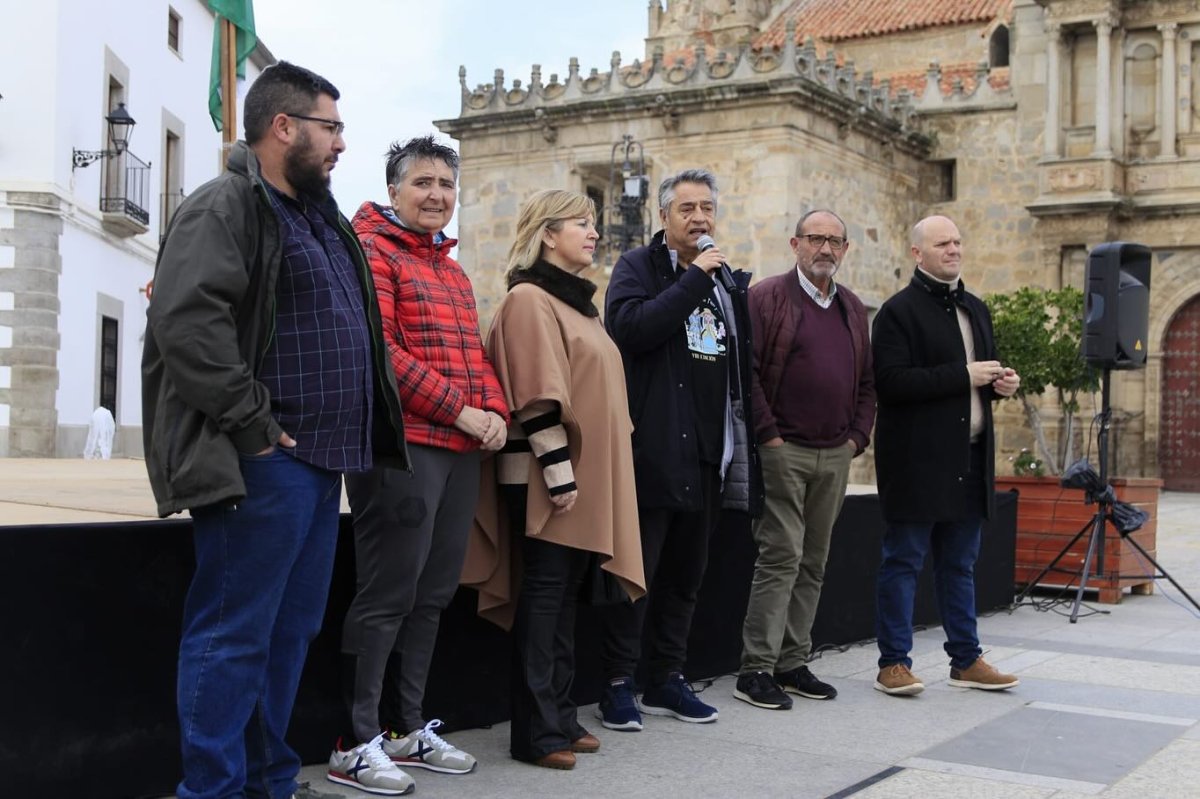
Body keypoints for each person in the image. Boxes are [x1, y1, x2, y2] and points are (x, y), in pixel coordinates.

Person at [142, 62, 408, 799]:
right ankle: (214, 789)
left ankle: (268, 779)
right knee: (232, 637)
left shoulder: (317, 217)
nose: (342, 145)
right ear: (284, 126)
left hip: (322, 466)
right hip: (263, 463)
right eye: (332, 128)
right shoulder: (226, 205)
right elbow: (187, 322)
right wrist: (253, 425)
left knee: (289, 636)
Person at [330, 136, 508, 793]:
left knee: (432, 594)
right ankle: (354, 739)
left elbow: (476, 354)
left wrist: (494, 412)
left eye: (446, 184)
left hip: (458, 450)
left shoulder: (452, 270)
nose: (437, 194)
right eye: (423, 182)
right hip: (402, 447)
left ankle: (405, 728)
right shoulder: (372, 251)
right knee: (386, 594)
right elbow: (382, 350)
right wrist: (461, 410)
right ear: (395, 188)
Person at [463, 188, 645, 769]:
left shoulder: (575, 304)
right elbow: (537, 396)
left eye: (594, 223)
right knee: (543, 599)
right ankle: (537, 734)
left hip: (577, 478)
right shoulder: (530, 299)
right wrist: (559, 474)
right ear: (547, 233)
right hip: (548, 477)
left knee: (563, 599)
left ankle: (560, 715)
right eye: (581, 223)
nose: (593, 233)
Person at [597, 169, 762, 731]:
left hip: (709, 457)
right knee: (635, 577)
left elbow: (738, 365)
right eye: (687, 207)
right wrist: (694, 279)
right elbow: (630, 329)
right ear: (663, 216)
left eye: (707, 207)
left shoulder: (724, 283)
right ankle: (618, 684)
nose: (699, 217)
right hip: (655, 454)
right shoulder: (638, 268)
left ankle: (667, 679)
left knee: (686, 579)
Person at [871, 214, 1021, 697]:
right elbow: (891, 384)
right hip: (917, 463)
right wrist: (964, 375)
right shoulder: (897, 312)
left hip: (970, 459)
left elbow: (977, 381)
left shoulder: (976, 308)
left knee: (960, 565)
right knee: (904, 562)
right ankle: (893, 663)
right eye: (942, 244)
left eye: (957, 241)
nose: (953, 249)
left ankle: (966, 659)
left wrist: (1001, 385)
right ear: (917, 253)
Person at [734, 210, 876, 710]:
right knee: (781, 555)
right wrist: (768, 435)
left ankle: (792, 662)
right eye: (816, 238)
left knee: (813, 561)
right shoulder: (767, 297)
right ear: (795, 243)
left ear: (845, 249)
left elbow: (866, 384)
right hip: (783, 451)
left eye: (836, 241)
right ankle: (755, 669)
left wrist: (856, 438)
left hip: (835, 453)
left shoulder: (853, 308)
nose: (826, 249)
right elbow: (745, 373)